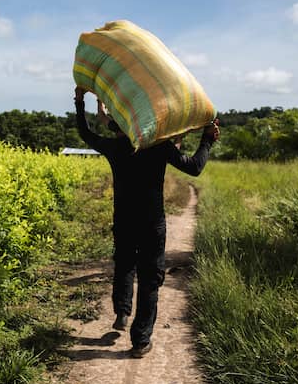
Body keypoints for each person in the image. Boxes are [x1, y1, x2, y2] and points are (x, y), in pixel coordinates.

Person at [74, 86, 219, 357]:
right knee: (150, 279)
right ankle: (140, 341)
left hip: (124, 220)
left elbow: (85, 133)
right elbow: (194, 167)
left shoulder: (114, 146)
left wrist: (80, 101)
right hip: (152, 223)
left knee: (125, 263)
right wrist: (207, 139)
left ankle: (121, 311)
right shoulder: (156, 146)